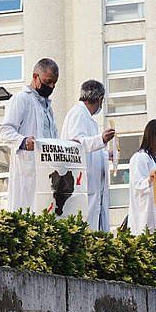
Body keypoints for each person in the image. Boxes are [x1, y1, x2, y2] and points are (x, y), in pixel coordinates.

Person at [0, 58, 60, 212]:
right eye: (48, 82)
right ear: (35, 77)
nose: (51, 86)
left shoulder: (47, 107)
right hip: (28, 170)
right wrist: (24, 141)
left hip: (47, 172)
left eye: (54, 83)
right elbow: (5, 131)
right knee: (29, 211)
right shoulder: (21, 99)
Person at [60, 79, 117, 231]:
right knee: (86, 228)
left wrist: (106, 155)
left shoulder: (88, 119)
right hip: (83, 186)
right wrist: (101, 139)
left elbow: (91, 152)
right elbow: (76, 145)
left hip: (92, 186)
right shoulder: (78, 114)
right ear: (100, 99)